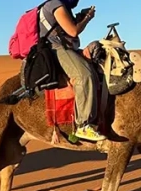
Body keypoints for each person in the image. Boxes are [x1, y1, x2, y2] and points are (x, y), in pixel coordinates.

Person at [40, 0, 105, 141]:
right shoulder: (55, 4)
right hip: (56, 49)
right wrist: (87, 18)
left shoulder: (62, 6)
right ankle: (83, 125)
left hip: (67, 48)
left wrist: (80, 18)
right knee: (85, 76)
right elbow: (73, 31)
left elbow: (67, 29)